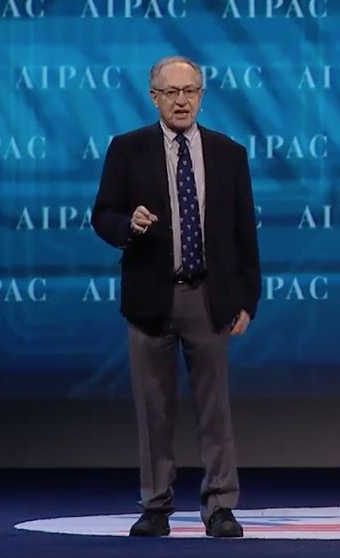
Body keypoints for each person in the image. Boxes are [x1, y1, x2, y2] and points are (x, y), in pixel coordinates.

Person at [92, 55, 260, 538]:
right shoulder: (128, 150)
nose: (181, 100)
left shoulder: (229, 153)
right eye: (172, 92)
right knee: (154, 407)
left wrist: (247, 298)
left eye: (190, 91)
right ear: (155, 98)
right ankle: (155, 506)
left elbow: (243, 231)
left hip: (209, 297)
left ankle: (220, 507)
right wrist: (129, 225)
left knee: (215, 407)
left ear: (201, 96)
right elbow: (102, 215)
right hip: (150, 298)